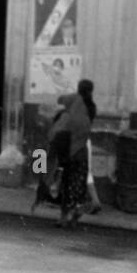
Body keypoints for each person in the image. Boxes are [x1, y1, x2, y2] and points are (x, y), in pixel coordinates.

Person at [49, 82, 93, 228]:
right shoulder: (86, 115)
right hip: (81, 157)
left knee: (66, 189)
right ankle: (73, 218)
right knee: (79, 189)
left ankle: (63, 218)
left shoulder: (66, 118)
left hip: (68, 158)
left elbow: (56, 135)